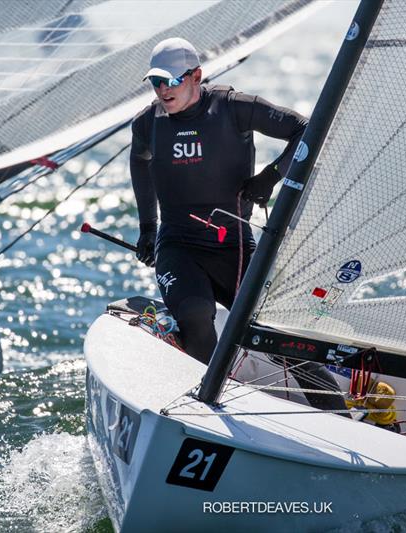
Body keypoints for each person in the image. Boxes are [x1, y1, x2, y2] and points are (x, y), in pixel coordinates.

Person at [130, 38, 346, 413]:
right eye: (155, 82)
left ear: (196, 75)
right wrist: (148, 226)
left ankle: (339, 415)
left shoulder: (233, 108)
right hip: (179, 246)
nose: (163, 90)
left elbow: (307, 130)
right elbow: (139, 159)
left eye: (171, 81)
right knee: (196, 313)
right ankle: (207, 407)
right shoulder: (148, 123)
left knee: (273, 339)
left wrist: (271, 176)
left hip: (235, 247)